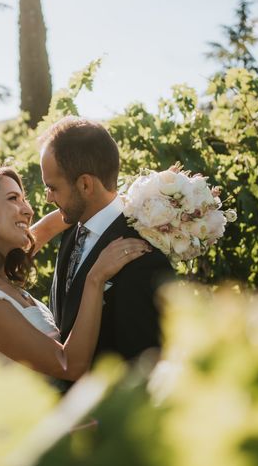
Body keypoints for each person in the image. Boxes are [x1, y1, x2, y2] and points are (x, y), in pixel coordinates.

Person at [0, 167, 150, 380]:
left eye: (23, 199)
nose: (28, 210)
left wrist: (143, 199)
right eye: (13, 199)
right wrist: (95, 278)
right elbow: (69, 365)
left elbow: (47, 228)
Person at [40, 116, 174, 384]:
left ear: (85, 184)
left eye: (53, 187)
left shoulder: (141, 254)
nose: (48, 197)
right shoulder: (70, 229)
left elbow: (141, 368)